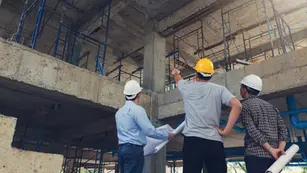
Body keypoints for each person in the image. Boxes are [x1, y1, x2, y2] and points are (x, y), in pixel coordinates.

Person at [171, 58, 242, 173]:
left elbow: (178, 80)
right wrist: (226, 131)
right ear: (211, 75)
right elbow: (237, 105)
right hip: (214, 141)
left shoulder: (187, 87)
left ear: (196, 73)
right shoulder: (219, 90)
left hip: (192, 142)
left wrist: (176, 73)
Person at [115, 80, 176, 173]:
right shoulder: (138, 110)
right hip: (134, 151)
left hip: (121, 150)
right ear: (139, 94)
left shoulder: (119, 113)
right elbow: (149, 131)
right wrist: (167, 135)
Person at [236, 74, 288, 173]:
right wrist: (279, 151)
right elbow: (283, 130)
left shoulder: (245, 106)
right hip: (275, 159)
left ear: (244, 89)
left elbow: (253, 132)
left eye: (241, 86)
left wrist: (271, 150)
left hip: (256, 156)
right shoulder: (271, 107)